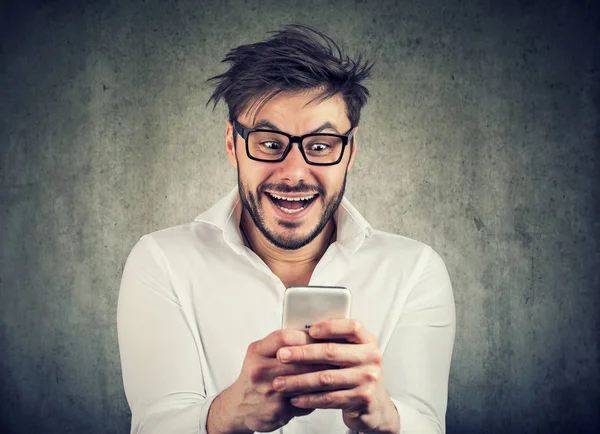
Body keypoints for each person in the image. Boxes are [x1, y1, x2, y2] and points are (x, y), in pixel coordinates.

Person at [117, 25, 455, 434]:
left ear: (349, 151)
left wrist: (387, 418)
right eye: (270, 142)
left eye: (320, 145)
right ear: (231, 143)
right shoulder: (161, 261)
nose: (294, 173)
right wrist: (228, 414)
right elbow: (153, 424)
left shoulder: (415, 270)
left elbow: (428, 423)